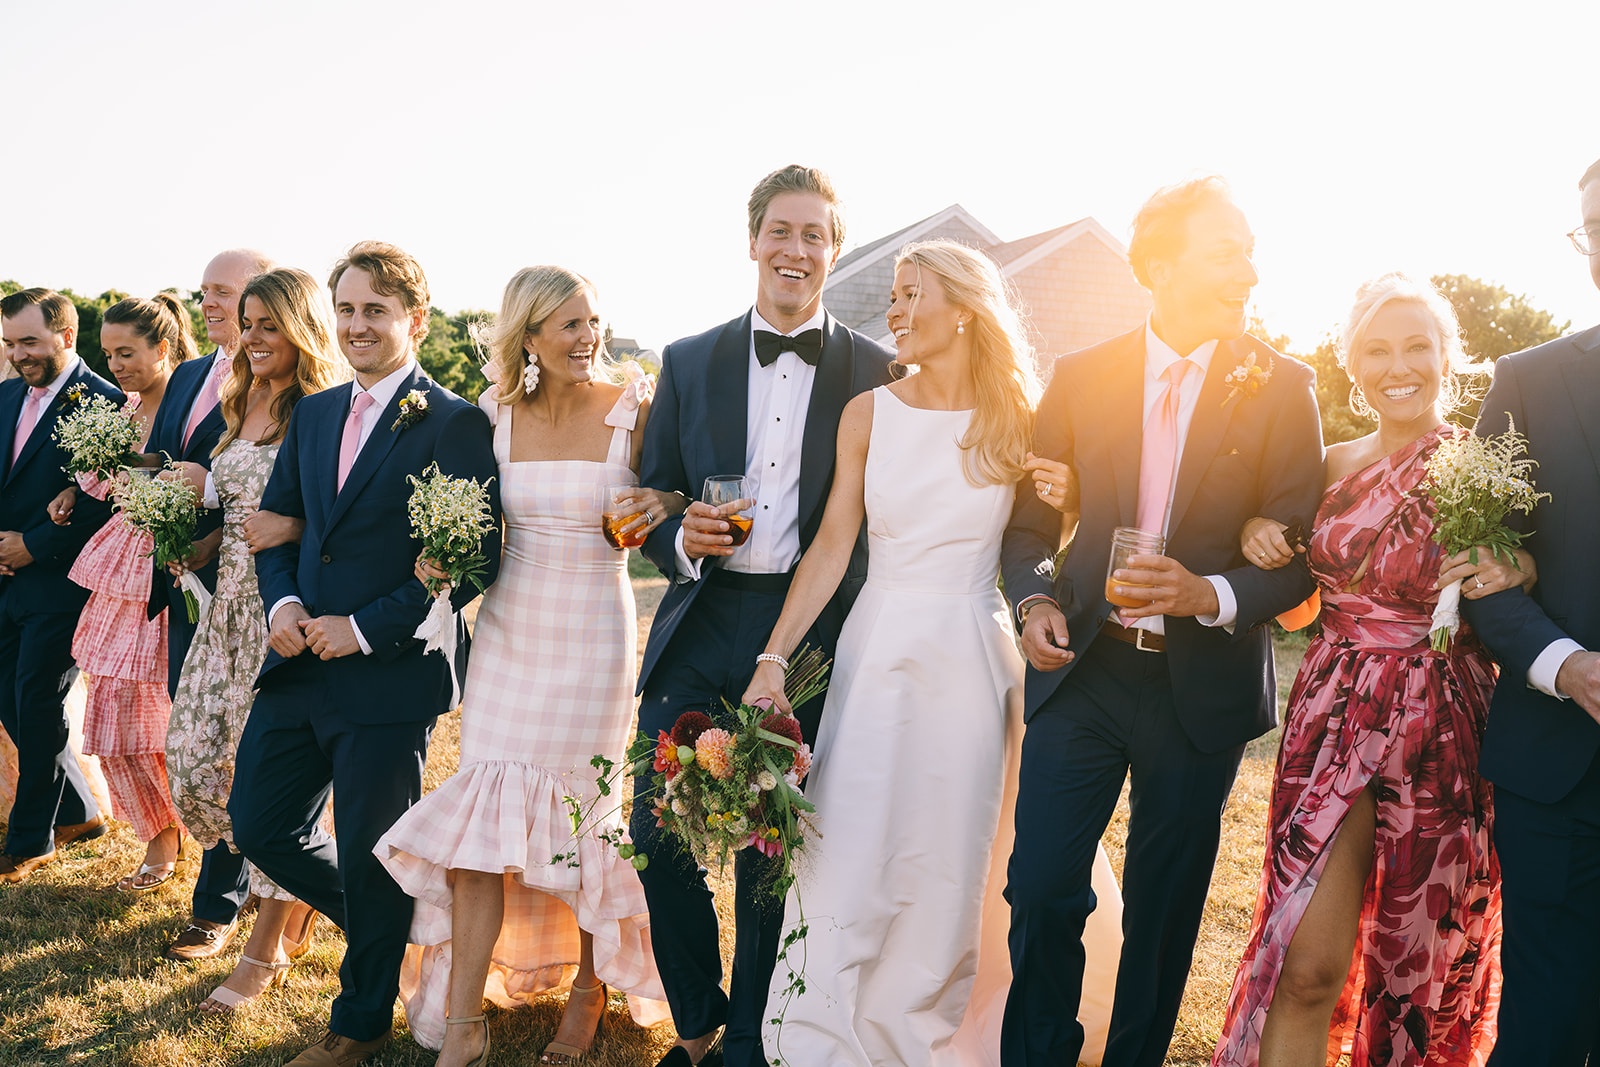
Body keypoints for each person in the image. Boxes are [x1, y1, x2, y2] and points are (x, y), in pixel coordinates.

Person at [740, 240, 1123, 1066]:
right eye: (896, 295)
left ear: (966, 310)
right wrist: (774, 659)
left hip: (973, 653)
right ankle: (822, 1028)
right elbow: (833, 545)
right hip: (878, 647)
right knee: (852, 834)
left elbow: (1046, 546)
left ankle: (930, 1031)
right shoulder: (869, 413)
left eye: (914, 293)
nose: (897, 309)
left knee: (953, 851)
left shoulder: (1020, 421)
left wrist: (1076, 506)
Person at [998, 177, 1324, 1067]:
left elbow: (1300, 555)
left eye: (1251, 251)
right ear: (1160, 264)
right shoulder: (1081, 375)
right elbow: (1029, 522)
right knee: (1041, 885)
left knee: (1165, 903)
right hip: (1087, 668)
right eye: (1227, 251)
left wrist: (1206, 592)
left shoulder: (1284, 386)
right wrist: (1030, 600)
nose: (1247, 270)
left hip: (1201, 688)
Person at [377, 266, 681, 1066]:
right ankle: (465, 1014)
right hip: (511, 628)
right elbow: (471, 525)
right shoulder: (491, 418)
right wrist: (440, 557)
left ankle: (589, 989)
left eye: (594, 323)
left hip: (595, 630)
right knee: (484, 818)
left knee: (586, 814)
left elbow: (674, 492)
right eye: (571, 326)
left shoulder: (633, 410)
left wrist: (665, 503)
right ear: (531, 338)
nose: (589, 339)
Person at [632, 164, 896, 1067]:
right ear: (753, 241)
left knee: (768, 843)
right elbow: (650, 498)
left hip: (810, 632)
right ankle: (699, 1021)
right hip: (702, 617)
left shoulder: (877, 371)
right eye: (780, 231)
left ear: (835, 247)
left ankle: (748, 1038)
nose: (796, 249)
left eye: (815, 234)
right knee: (652, 827)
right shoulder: (687, 358)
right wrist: (680, 534)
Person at [1213, 273, 1507, 1066]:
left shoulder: (1483, 471)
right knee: (1304, 963)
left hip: (1441, 722)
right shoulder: (1325, 465)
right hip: (1333, 711)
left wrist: (1517, 573)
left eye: (1417, 345)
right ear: (1352, 364)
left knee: (1414, 972)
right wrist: (1253, 530)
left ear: (1449, 357)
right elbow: (1292, 586)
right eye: (1378, 348)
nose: (1398, 363)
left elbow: (1520, 593)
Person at [227, 241, 501, 1067]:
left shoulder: (454, 421)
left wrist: (368, 625)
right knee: (258, 824)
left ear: (414, 320)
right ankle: (393, 925)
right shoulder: (311, 413)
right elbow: (277, 527)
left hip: (388, 674)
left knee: (367, 846)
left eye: (375, 311)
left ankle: (358, 1022)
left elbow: (475, 552)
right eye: (345, 310)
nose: (356, 326)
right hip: (298, 660)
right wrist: (283, 600)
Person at [164, 267, 345, 1013]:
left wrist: (296, 528)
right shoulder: (238, 398)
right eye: (248, 323)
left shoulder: (323, 408)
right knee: (192, 761)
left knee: (271, 783)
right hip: (225, 610)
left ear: (300, 327)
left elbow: (338, 517)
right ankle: (300, 893)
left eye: (270, 324)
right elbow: (232, 502)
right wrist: (198, 545)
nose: (255, 338)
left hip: (283, 615)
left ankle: (265, 944)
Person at [1460, 156, 1600, 1066]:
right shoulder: (1525, 381)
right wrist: (1568, 665)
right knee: (1544, 1021)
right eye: (1597, 226)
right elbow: (1471, 572)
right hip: (1558, 773)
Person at [48, 294, 199, 894]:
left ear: (163, 349)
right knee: (111, 716)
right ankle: (158, 837)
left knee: (166, 721)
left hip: (171, 568)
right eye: (108, 353)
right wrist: (69, 492)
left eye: (127, 352)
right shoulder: (121, 409)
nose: (115, 365)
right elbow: (95, 476)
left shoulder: (194, 410)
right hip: (118, 567)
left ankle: (201, 839)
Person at [150, 248, 275, 963]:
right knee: (192, 749)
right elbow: (171, 463)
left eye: (223, 292)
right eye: (204, 293)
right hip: (195, 587)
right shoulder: (197, 376)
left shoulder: (298, 391)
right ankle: (261, 874)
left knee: (242, 754)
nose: (209, 305)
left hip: (263, 600)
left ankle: (219, 902)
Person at [0, 288, 124, 883]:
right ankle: (76, 809)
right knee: (10, 699)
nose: (18, 355)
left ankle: (31, 838)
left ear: (66, 336)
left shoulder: (104, 405)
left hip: (62, 583)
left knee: (37, 701)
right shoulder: (3, 396)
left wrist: (36, 545)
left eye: (29, 342)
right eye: (9, 343)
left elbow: (111, 508)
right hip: (5, 580)